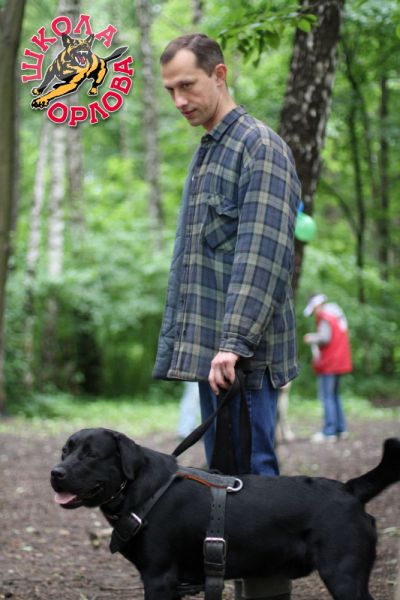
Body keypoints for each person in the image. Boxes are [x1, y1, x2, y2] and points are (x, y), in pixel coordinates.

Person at [153, 33, 301, 600]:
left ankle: (266, 595)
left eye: (187, 85)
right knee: (225, 485)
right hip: (217, 358)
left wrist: (233, 343)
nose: (179, 100)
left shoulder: (259, 147)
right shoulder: (209, 150)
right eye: (170, 90)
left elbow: (263, 256)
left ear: (219, 74)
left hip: (244, 358)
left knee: (256, 486)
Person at [303, 293, 352, 442]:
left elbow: (325, 338)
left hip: (329, 364)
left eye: (313, 309)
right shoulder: (336, 315)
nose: (314, 313)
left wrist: (311, 337)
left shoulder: (325, 317)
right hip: (339, 362)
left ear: (317, 306)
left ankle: (329, 431)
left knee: (327, 397)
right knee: (335, 396)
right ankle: (341, 429)